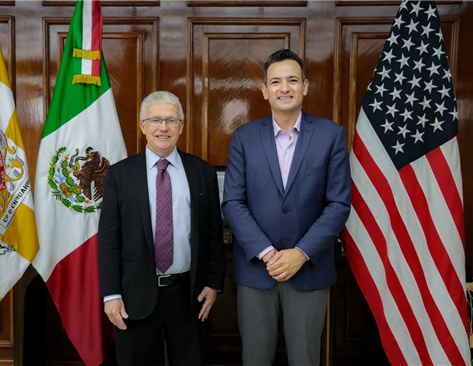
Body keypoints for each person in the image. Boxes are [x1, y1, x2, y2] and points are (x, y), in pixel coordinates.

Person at [222, 49, 351, 366]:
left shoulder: (331, 135)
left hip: (308, 269)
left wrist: (300, 253)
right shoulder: (244, 137)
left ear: (305, 86)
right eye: (276, 81)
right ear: (264, 91)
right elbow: (232, 202)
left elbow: (338, 204)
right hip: (256, 271)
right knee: (255, 358)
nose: (285, 88)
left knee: (305, 359)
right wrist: (268, 253)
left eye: (292, 80)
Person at [98, 91, 226, 366]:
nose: (163, 128)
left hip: (189, 295)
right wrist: (111, 295)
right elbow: (109, 240)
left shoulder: (202, 172)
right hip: (134, 297)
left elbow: (214, 232)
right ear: (143, 126)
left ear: (181, 125)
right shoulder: (119, 175)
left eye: (171, 120)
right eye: (155, 120)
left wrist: (214, 283)